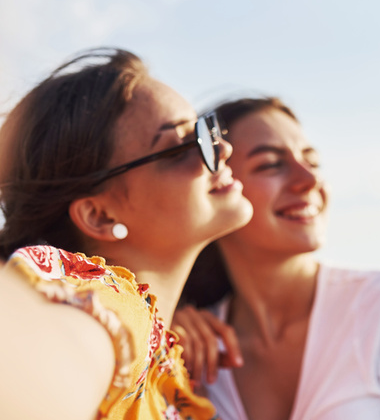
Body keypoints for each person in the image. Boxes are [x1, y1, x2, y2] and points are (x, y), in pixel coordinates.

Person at [173, 97, 380, 420]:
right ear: (219, 187)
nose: (309, 180)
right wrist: (163, 338)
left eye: (312, 162)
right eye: (271, 164)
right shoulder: (191, 349)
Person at [0, 48, 253, 420]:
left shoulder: (164, 345)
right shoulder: (111, 306)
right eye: (184, 145)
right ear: (100, 215)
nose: (223, 148)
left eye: (205, 130)